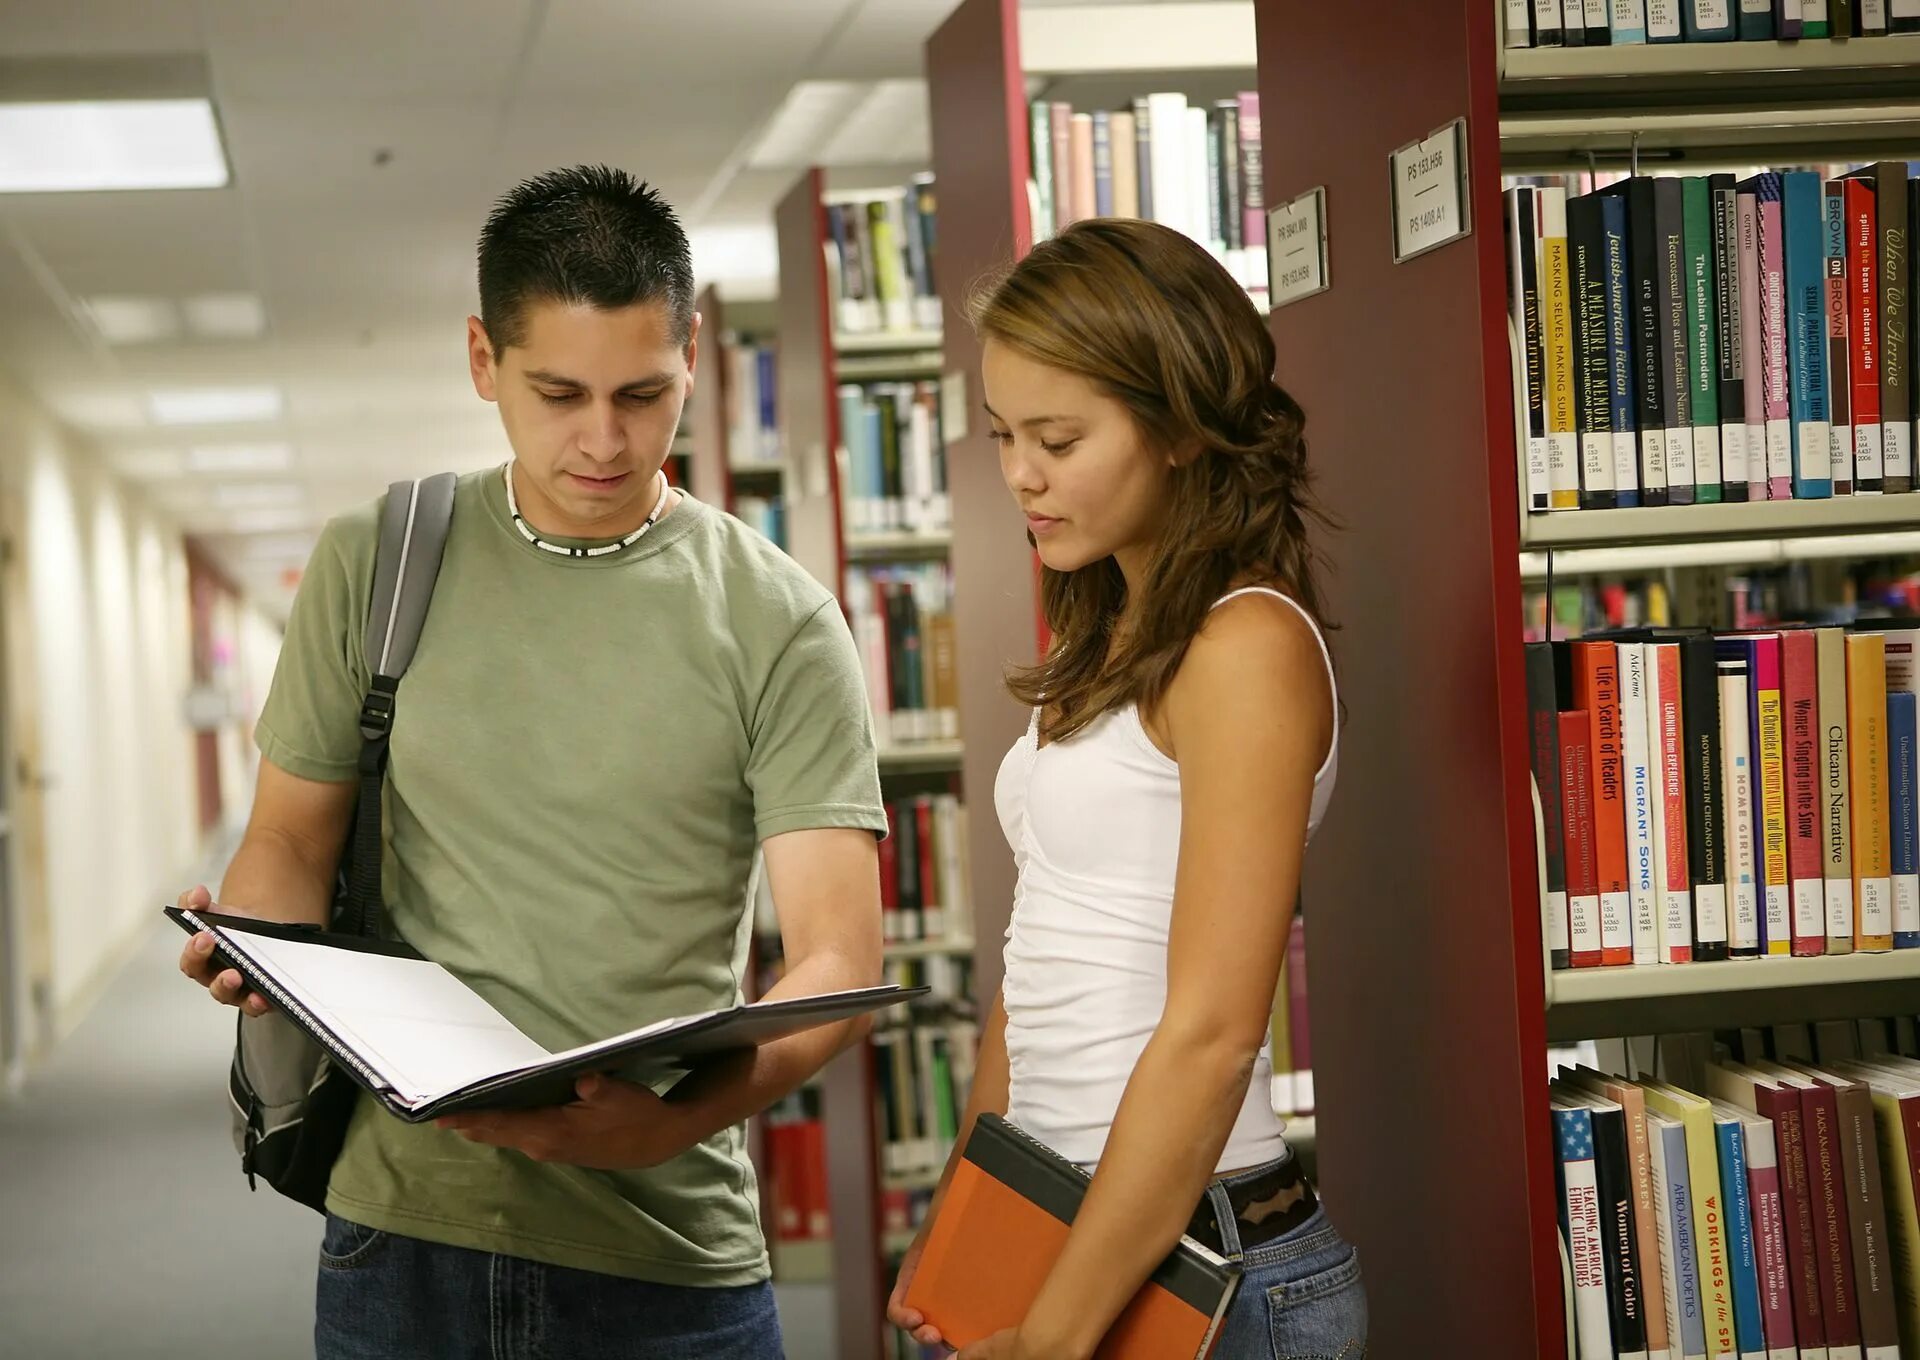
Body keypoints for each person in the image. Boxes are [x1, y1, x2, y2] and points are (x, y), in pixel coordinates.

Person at [175, 165, 887, 1359]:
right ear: (480, 359)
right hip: (403, 1237)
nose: (604, 441)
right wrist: (265, 950)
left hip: (672, 1254)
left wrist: (670, 1126)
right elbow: (291, 839)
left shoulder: (782, 619)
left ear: (695, 355)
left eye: (644, 394)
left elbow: (835, 954)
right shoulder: (377, 563)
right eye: (558, 392)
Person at [887, 218, 1366, 1360]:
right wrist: (964, 1212)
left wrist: (1054, 1338)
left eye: (1057, 437)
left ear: (1180, 427)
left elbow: (1209, 1034)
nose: (1021, 473)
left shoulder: (1246, 646)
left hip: (1201, 1263)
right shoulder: (1111, 633)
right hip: (1053, 1217)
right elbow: (1036, 961)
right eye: (1005, 434)